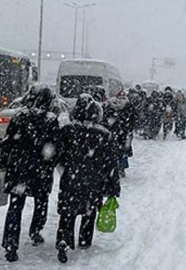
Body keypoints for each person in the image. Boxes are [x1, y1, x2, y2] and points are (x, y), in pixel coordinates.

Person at [0, 87, 60, 262]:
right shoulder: (50, 119)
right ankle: (36, 230)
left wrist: (3, 162)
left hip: (18, 169)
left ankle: (10, 242)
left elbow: (8, 142)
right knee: (41, 201)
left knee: (15, 206)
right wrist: (50, 161)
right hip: (41, 170)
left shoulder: (19, 117)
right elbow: (55, 146)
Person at [55, 95, 120, 263]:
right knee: (88, 212)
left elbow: (58, 154)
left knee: (67, 213)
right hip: (93, 181)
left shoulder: (67, 130)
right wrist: (114, 187)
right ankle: (84, 240)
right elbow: (111, 163)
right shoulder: (104, 134)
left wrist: (64, 167)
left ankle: (64, 240)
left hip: (70, 178)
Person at [102, 90, 135, 177]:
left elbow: (106, 118)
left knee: (113, 150)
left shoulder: (111, 105)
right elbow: (133, 119)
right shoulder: (129, 105)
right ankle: (121, 167)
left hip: (114, 131)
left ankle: (115, 167)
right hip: (125, 132)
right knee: (123, 151)